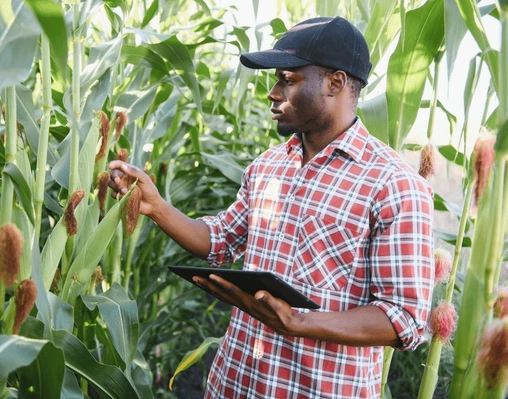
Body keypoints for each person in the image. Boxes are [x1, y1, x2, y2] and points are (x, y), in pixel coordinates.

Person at [108, 16, 434, 399]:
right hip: (235, 381)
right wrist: (154, 205)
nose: (273, 93)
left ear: (335, 83)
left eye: (288, 79)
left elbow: (403, 318)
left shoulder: (394, 183)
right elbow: (219, 241)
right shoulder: (267, 166)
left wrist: (297, 322)